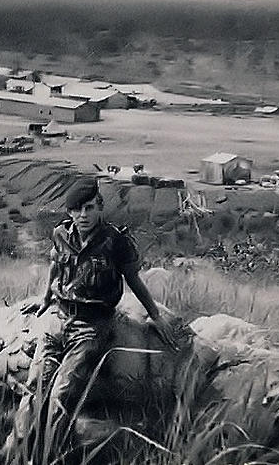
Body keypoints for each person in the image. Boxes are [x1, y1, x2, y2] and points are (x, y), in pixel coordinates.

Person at [10, 176, 182, 463]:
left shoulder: (116, 242)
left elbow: (134, 280)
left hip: (91, 326)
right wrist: (45, 298)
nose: (83, 215)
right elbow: (55, 265)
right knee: (34, 387)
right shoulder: (61, 234)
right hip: (58, 320)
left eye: (89, 208)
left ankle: (46, 455)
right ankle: (18, 454)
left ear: (100, 207)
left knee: (62, 392)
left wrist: (155, 316)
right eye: (77, 209)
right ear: (69, 212)